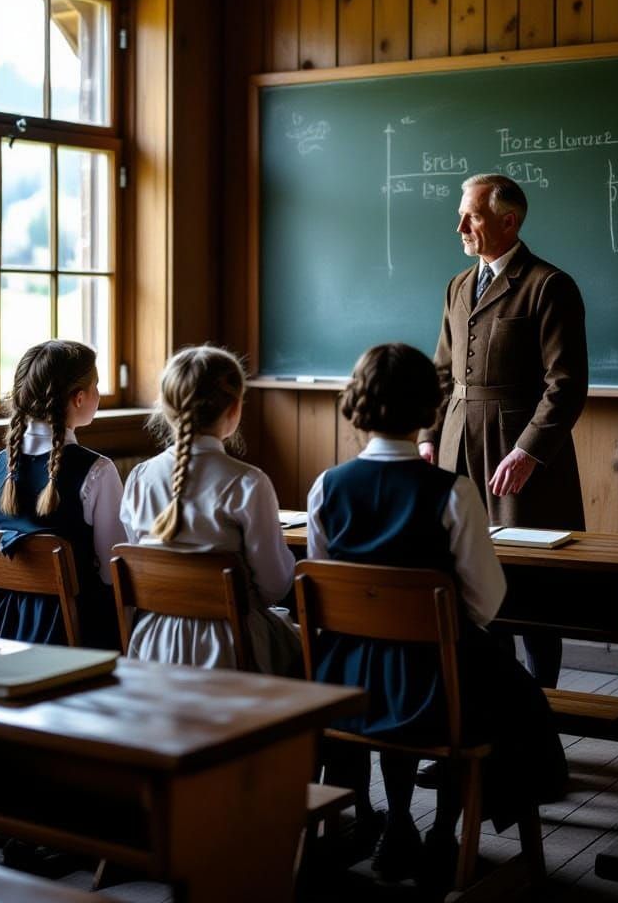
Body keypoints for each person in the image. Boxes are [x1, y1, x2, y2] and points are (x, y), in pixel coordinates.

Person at [307, 343, 567, 886]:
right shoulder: (453, 492)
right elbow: (486, 604)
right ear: (429, 408)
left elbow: (326, 586)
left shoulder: (326, 488)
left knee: (407, 674)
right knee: (509, 695)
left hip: (347, 683)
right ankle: (444, 831)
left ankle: (397, 822)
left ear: (357, 405)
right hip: (435, 690)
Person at [418, 173, 588, 689]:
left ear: (509, 221)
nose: (460, 227)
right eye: (461, 216)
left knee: (532, 586)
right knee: (469, 578)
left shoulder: (548, 285)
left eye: (471, 217)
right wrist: (427, 436)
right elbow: (441, 373)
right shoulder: (457, 286)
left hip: (517, 456)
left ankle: (540, 711)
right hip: (456, 448)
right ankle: (491, 704)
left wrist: (529, 452)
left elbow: (566, 384)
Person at [120, 345, 300, 675]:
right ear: (234, 408)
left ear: (167, 407)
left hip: (152, 643)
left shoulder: (139, 478)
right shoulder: (248, 483)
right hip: (231, 645)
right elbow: (275, 585)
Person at [0, 340, 124, 649]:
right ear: (79, 398)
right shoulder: (98, 471)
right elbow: (113, 571)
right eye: (96, 386)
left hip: (5, 624)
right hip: (76, 630)